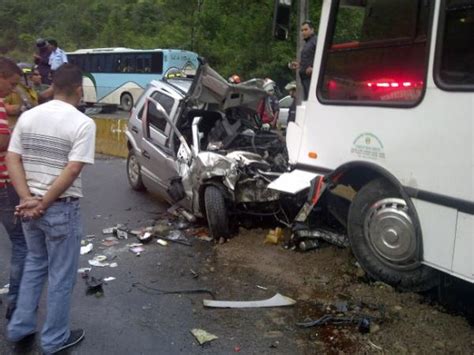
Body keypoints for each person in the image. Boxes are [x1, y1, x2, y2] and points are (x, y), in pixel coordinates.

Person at [6, 63, 96, 354]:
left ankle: (19, 327)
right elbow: (71, 170)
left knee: (34, 264)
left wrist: (26, 198)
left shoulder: (28, 116)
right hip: (58, 209)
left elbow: (12, 158)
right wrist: (43, 203)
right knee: (61, 275)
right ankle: (55, 339)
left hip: (28, 207)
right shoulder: (83, 123)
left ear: (52, 87)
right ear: (79, 90)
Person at [0, 57, 27, 322]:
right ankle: (16, 303)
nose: (12, 88)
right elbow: (2, 141)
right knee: (21, 244)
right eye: (11, 83)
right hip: (4, 185)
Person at [4, 64, 39, 129]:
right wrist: (19, 108)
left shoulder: (30, 90)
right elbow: (3, 106)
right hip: (13, 127)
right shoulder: (12, 88)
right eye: (30, 76)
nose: (31, 78)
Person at [290, 21, 317, 100]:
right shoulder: (308, 43)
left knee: (311, 101)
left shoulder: (315, 41)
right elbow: (309, 59)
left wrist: (313, 68)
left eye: (306, 29)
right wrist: (299, 65)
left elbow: (322, 56)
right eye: (302, 30)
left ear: (312, 30)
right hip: (305, 79)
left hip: (312, 80)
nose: (303, 32)